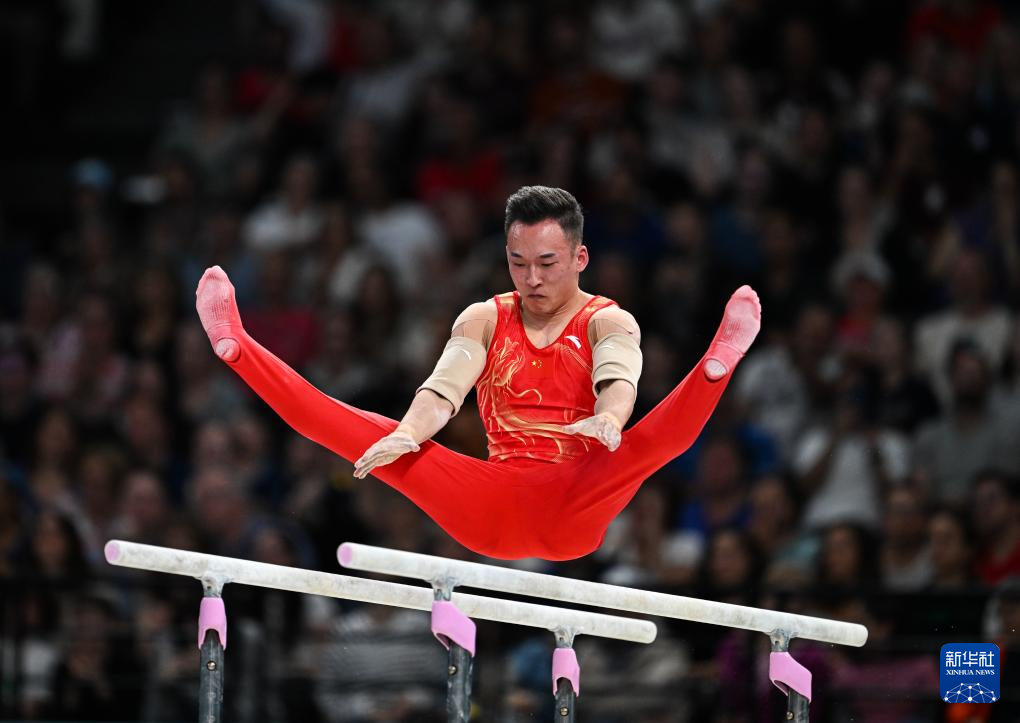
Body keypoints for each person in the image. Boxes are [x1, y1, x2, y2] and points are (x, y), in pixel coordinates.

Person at [195, 186, 760, 560]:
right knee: (360, 428)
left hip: (577, 497)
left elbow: (618, 378)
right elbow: (444, 389)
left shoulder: (608, 320)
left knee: (648, 443)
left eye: (548, 263)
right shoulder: (484, 318)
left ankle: (717, 365)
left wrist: (610, 419)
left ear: (580, 258)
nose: (532, 279)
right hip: (489, 505)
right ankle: (237, 347)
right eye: (518, 262)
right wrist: (410, 433)